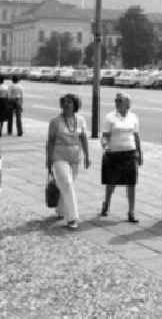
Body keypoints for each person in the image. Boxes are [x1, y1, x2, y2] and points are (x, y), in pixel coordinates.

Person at [46, 94, 90, 229]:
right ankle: (73, 218)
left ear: (75, 105)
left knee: (65, 186)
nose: (66, 105)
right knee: (67, 183)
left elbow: (83, 138)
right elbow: (50, 142)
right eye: (64, 102)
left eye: (69, 102)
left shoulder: (81, 120)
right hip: (59, 156)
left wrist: (87, 156)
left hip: (75, 158)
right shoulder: (55, 122)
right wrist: (48, 159)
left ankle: (60, 209)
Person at [100, 92, 142, 223]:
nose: (116, 102)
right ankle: (106, 203)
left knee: (131, 183)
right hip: (113, 154)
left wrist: (140, 153)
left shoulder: (134, 117)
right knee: (111, 183)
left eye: (119, 100)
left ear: (127, 104)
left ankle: (131, 212)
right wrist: (105, 145)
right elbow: (105, 135)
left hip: (130, 153)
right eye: (116, 100)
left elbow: (136, 136)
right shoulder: (110, 117)